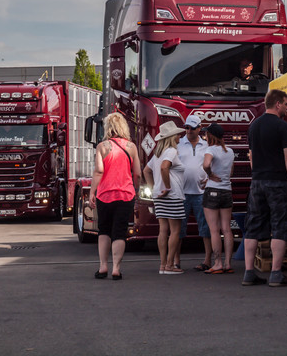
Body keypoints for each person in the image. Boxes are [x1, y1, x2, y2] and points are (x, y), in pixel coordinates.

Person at [243, 89, 287, 287]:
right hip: (278, 182)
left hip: (257, 181)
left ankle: (249, 272)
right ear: (277, 104)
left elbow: (251, 157)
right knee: (281, 225)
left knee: (253, 225)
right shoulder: (283, 127)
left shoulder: (253, 126)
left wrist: (256, 175)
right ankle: (276, 273)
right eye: (285, 103)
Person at [89, 113, 142, 281]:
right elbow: (138, 174)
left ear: (107, 127)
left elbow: (99, 171)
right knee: (120, 230)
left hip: (104, 194)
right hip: (125, 194)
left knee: (104, 229)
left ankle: (103, 266)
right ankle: (116, 269)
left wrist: (92, 192)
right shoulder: (131, 147)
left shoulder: (102, 146)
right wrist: (136, 189)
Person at [143, 121, 187, 275]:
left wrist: (154, 187)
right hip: (172, 194)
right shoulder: (171, 151)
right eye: (177, 134)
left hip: (159, 195)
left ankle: (162, 265)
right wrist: (167, 186)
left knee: (163, 230)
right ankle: (170, 265)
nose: (179, 137)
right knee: (175, 230)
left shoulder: (157, 154)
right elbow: (164, 167)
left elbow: (146, 171)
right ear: (172, 137)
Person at [177, 114, 212, 272]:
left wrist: (210, 178)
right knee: (179, 229)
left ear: (199, 128)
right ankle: (175, 260)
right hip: (182, 192)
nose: (189, 131)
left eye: (192, 128)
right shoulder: (178, 144)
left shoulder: (206, 146)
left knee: (205, 227)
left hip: (200, 193)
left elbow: (215, 164)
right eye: (187, 128)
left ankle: (207, 260)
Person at [202, 123, 235, 274]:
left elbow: (206, 164)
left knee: (214, 230)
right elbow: (230, 173)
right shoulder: (230, 151)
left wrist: (209, 175)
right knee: (227, 229)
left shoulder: (210, 149)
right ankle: (228, 263)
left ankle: (217, 263)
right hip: (226, 191)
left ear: (210, 135)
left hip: (212, 191)